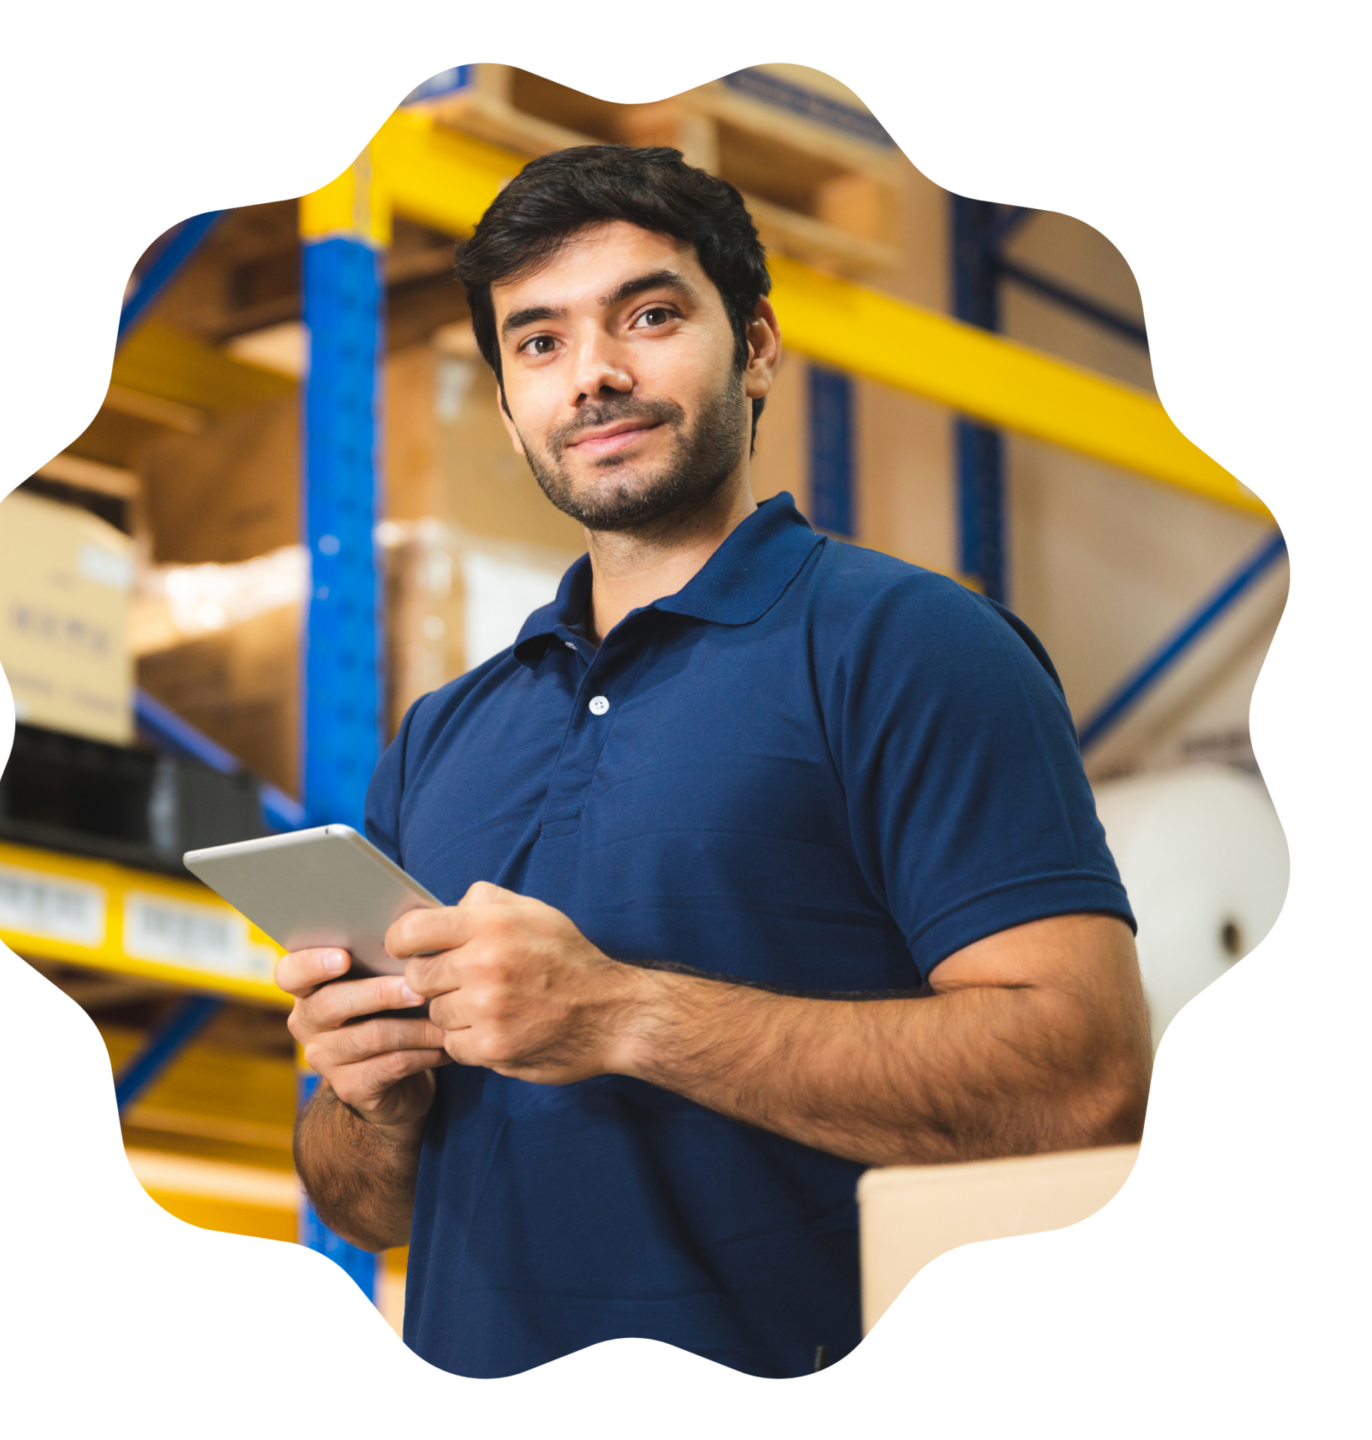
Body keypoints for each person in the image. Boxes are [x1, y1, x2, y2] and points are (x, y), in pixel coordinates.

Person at [278, 146, 1152, 1381]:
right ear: (511, 395)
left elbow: (1086, 1085)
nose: (596, 374)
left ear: (754, 348)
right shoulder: (441, 736)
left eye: (648, 314)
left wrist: (624, 1014)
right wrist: (374, 1102)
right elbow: (369, 1208)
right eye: (538, 342)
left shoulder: (911, 646)